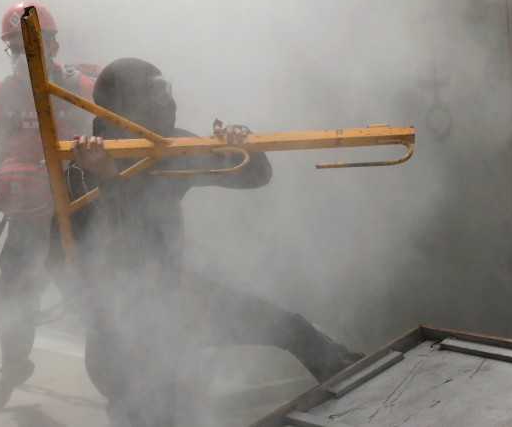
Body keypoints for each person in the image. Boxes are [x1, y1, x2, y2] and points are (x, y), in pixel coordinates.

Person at [54, 58, 360, 426]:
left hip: (173, 295)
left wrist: (241, 146)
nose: (169, 102)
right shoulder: (83, 168)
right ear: (128, 105)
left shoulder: (170, 146)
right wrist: (109, 178)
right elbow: (119, 252)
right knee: (155, 410)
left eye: (167, 89)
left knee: (291, 329)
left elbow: (253, 176)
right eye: (156, 92)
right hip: (121, 333)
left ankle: (361, 390)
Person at [0, 1, 99, 412]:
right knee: (11, 300)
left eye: (34, 45)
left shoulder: (81, 89)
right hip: (27, 217)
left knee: (92, 301)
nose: (25, 55)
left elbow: (109, 152)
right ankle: (13, 367)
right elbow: (7, 150)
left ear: (55, 45)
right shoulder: (5, 93)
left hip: (74, 214)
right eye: (16, 48)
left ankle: (125, 377)